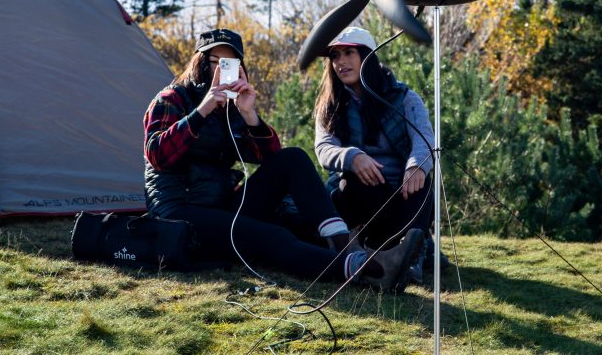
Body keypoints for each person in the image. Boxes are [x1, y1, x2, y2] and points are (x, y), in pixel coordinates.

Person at [143, 28, 423, 292]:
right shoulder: (172, 98)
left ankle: (343, 243)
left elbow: (272, 161)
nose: (221, 70)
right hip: (179, 211)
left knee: (294, 158)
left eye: (231, 63)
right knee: (274, 237)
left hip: (222, 205)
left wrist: (250, 116)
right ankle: (366, 270)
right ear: (200, 63)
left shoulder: (229, 111)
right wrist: (204, 108)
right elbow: (157, 155)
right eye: (216, 61)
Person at [314, 27, 435, 271]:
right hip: (358, 199)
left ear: (368, 56)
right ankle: (406, 249)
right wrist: (352, 157)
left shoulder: (405, 97)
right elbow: (323, 148)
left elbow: (425, 140)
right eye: (335, 56)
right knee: (352, 180)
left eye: (349, 53)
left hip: (401, 192)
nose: (340, 62)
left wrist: (415, 167)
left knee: (423, 180)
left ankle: (412, 254)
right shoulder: (329, 105)